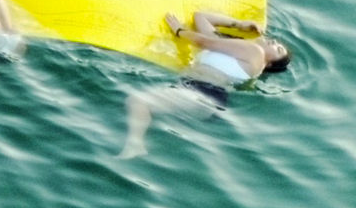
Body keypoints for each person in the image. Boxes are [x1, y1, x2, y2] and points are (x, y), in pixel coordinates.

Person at [117, 11, 292, 157]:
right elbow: (201, 17)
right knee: (149, 111)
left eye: (278, 50)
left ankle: (135, 145)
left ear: (270, 64)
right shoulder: (231, 49)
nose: (275, 43)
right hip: (197, 92)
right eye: (278, 43)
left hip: (204, 94)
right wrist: (239, 24)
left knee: (139, 101)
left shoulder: (256, 53)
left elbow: (204, 42)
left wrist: (179, 31)